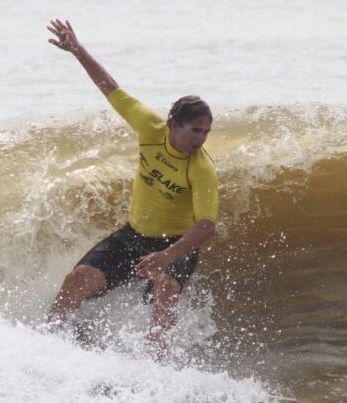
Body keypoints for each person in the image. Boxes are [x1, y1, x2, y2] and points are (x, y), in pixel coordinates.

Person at [45, 19, 218, 359]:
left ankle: (156, 368)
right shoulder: (150, 129)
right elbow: (110, 87)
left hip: (175, 244)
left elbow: (206, 225)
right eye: (195, 131)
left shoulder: (201, 169)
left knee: (165, 288)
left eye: (205, 133)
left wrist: (166, 256)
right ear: (173, 126)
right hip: (134, 236)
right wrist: (77, 50)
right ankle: (45, 345)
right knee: (77, 279)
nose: (200, 140)